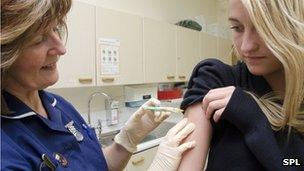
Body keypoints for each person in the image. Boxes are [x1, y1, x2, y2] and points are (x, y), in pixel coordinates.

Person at [0, 0, 196, 170]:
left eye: (56, 29)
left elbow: (98, 166)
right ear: (5, 53)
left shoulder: (58, 105)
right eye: (38, 39)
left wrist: (126, 141)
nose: (61, 48)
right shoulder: (6, 147)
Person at [178, 0, 304, 170]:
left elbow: (295, 163)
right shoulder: (215, 79)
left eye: (262, 28)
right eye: (237, 28)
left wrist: (255, 121)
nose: (246, 47)